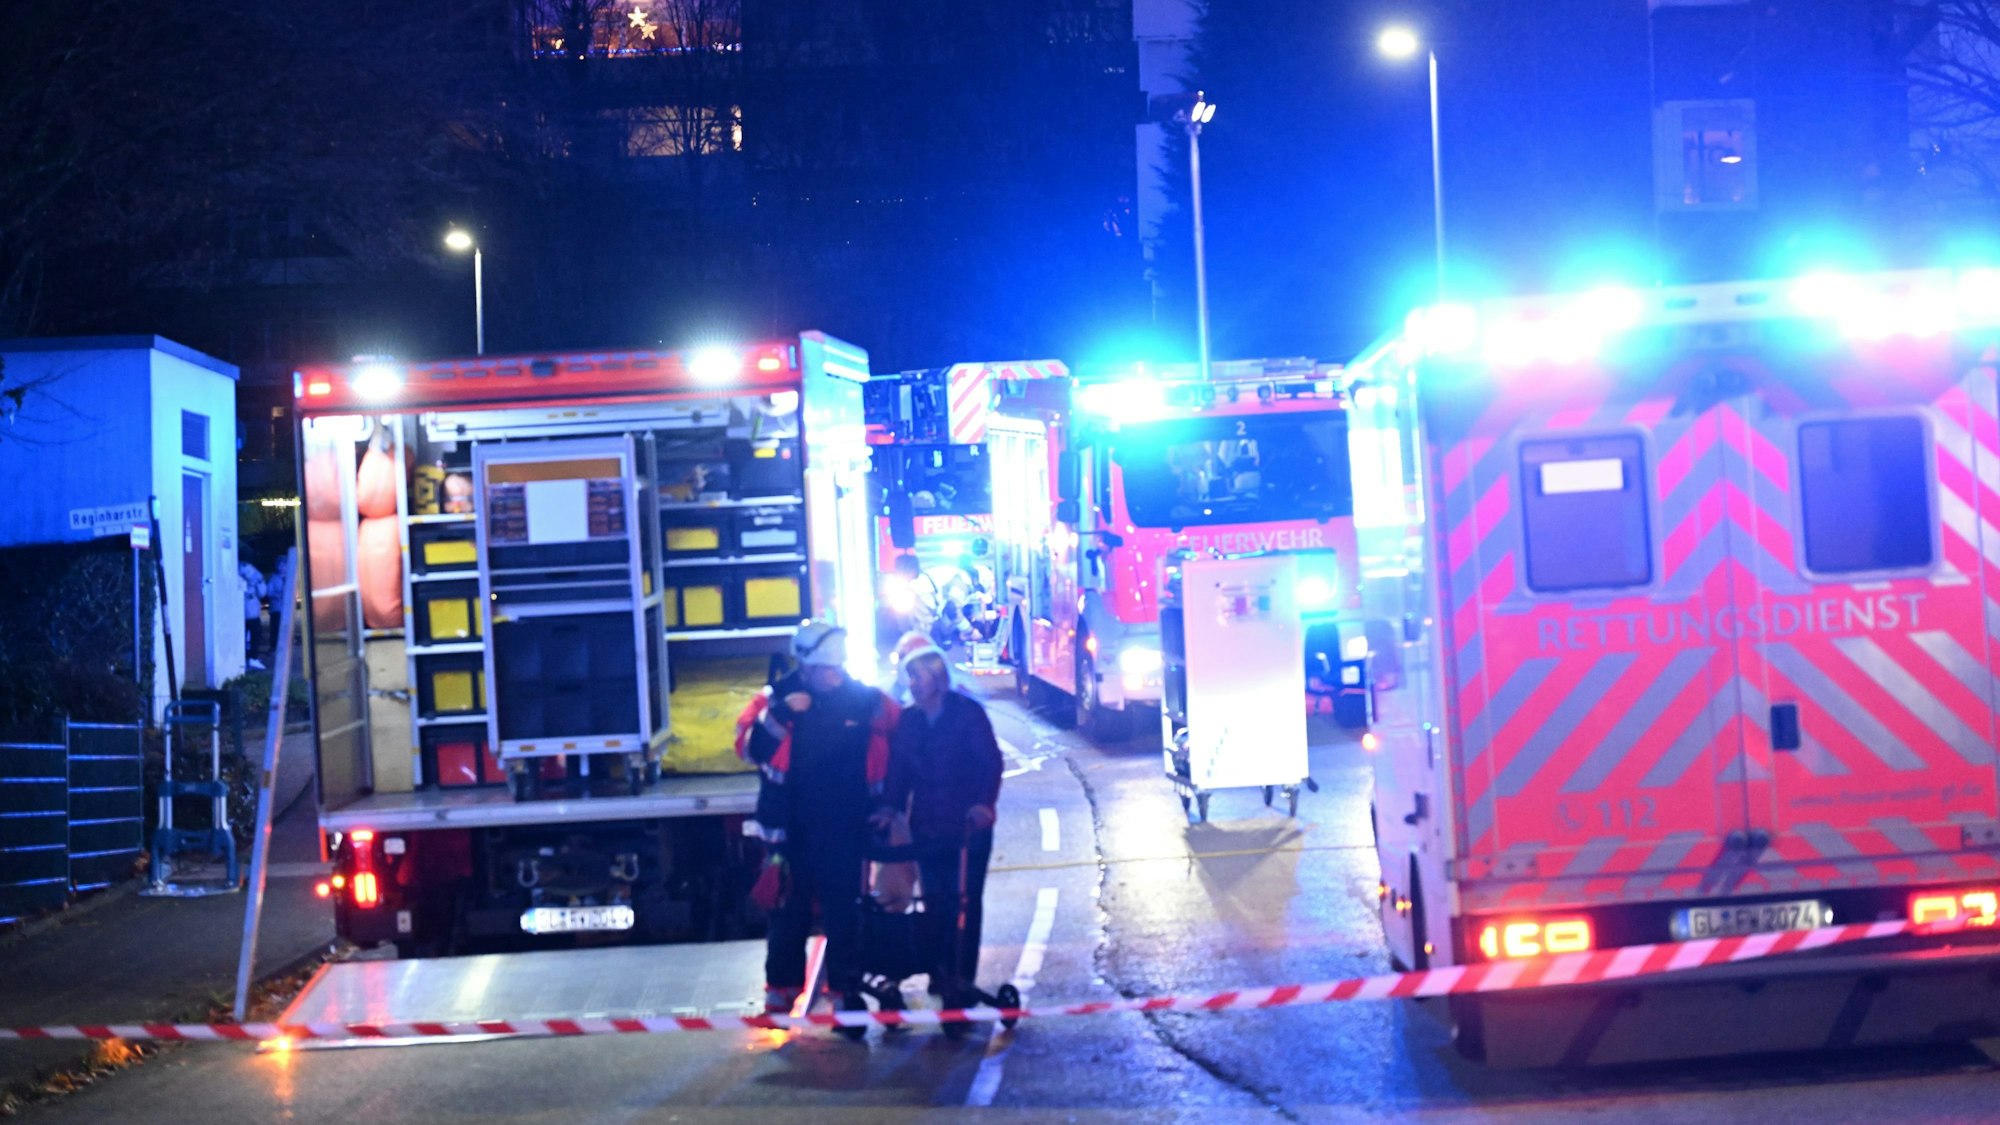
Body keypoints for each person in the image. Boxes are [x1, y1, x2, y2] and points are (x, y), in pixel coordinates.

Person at [736, 621, 900, 1017]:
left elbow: (898, 741)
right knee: (787, 914)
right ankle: (780, 993)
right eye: (826, 669)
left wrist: (888, 806)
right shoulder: (775, 699)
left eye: (836, 668)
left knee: (844, 914)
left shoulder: (863, 700)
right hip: (789, 832)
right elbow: (747, 747)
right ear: (805, 666)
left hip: (845, 828)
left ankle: (844, 993)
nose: (832, 675)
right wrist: (780, 715)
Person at [877, 641, 1003, 1003]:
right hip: (928, 825)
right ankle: (940, 970)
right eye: (909, 677)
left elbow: (989, 763)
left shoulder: (967, 714)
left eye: (918, 675)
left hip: (966, 827)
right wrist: (889, 807)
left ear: (936, 675)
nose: (913, 683)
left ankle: (961, 975)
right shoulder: (910, 721)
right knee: (934, 900)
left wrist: (983, 804)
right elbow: (899, 771)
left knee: (964, 900)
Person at [239, 561, 267, 670]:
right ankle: (247, 659)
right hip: (242, 615)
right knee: (244, 638)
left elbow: (262, 593)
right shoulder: (237, 578)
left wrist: (259, 582)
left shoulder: (256, 578)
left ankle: (253, 658)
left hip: (253, 613)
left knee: (255, 637)